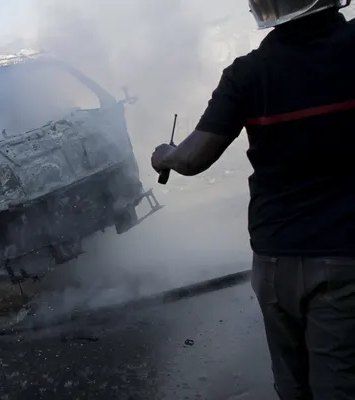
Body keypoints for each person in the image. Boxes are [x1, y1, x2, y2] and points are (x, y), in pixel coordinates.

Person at [150, 1, 355, 398]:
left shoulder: (247, 74)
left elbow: (192, 158)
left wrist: (165, 154)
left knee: (293, 385)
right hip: (343, 255)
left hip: (275, 259)